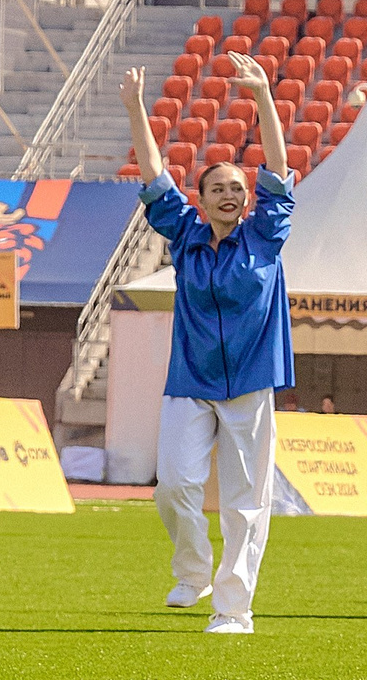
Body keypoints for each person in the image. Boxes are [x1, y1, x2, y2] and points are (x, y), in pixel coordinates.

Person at [121, 56, 293, 637]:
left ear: (249, 199)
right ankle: (192, 571)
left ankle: (234, 610)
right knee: (173, 486)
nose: (228, 194)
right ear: (201, 198)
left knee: (246, 503)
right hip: (190, 380)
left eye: (237, 188)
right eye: (217, 187)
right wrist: (134, 110)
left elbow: (280, 165)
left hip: (249, 383)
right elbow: (152, 173)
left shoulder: (266, 234)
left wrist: (263, 96)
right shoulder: (188, 236)